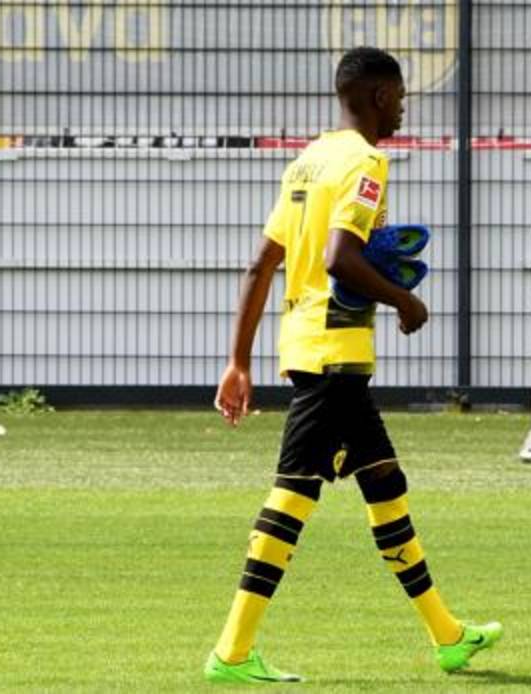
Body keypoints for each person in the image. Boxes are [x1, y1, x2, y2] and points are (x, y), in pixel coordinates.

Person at [204, 46, 502, 683]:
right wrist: (404, 299)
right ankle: (231, 652)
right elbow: (339, 258)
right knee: (293, 495)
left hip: (311, 349)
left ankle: (449, 636)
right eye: (401, 98)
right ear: (379, 96)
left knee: (386, 487)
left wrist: (238, 362)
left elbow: (262, 264)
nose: (403, 109)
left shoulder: (308, 160)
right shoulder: (366, 161)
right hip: (334, 355)